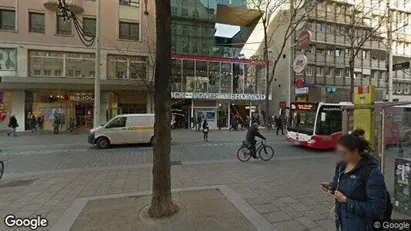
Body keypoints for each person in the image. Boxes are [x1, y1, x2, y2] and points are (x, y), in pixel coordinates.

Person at [320, 129, 388, 231]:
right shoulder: (341, 166)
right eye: (338, 151)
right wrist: (332, 186)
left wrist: (346, 201)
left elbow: (377, 209)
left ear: (355, 151)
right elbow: (342, 185)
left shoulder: (372, 173)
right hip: (342, 221)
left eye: (343, 152)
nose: (340, 155)